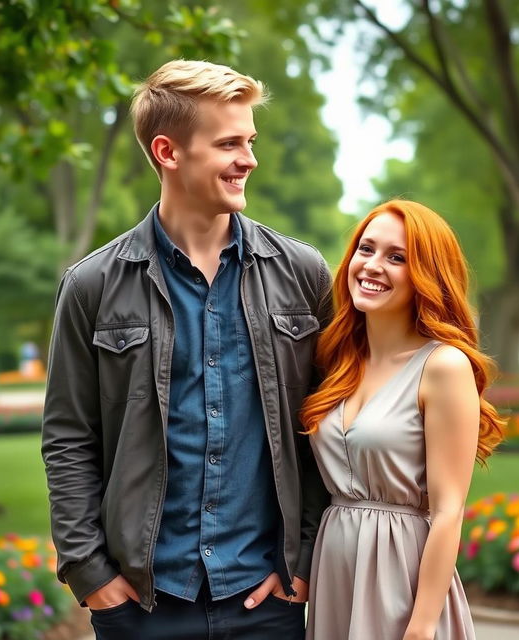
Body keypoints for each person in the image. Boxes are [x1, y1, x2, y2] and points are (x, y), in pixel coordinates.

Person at [42, 59, 332, 640]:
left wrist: (301, 561)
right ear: (168, 152)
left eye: (249, 141)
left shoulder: (303, 274)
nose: (249, 159)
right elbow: (69, 437)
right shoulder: (92, 284)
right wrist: (91, 573)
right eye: (229, 143)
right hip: (142, 606)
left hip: (268, 600)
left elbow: (330, 420)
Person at [300, 199, 504, 640]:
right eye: (365, 249)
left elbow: (449, 511)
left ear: (426, 276)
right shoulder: (337, 360)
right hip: (337, 568)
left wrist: (422, 625)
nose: (372, 266)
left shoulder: (444, 366)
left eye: (397, 257)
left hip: (402, 578)